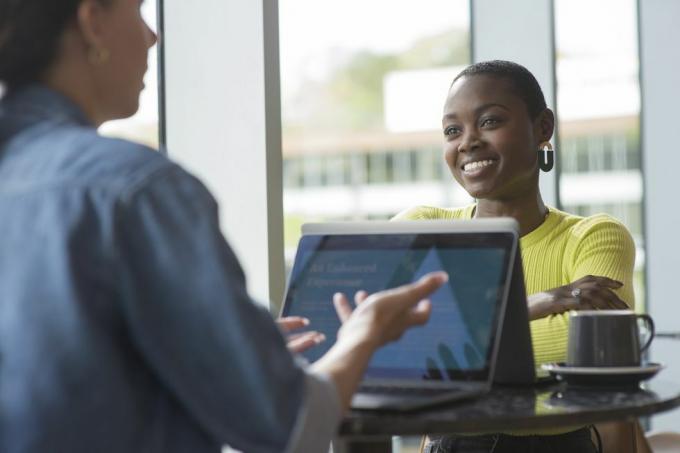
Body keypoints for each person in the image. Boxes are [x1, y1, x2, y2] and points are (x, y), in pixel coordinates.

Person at [0, 1, 449, 452]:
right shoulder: (136, 189)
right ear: (93, 22)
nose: (153, 37)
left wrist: (228, 346)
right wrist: (363, 335)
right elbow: (289, 427)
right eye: (139, 11)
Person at [394, 60, 637, 453]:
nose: (467, 142)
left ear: (543, 128)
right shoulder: (425, 226)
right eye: (452, 130)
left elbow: (586, 349)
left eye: (489, 121)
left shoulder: (594, 236)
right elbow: (388, 343)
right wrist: (535, 304)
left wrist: (451, 335)